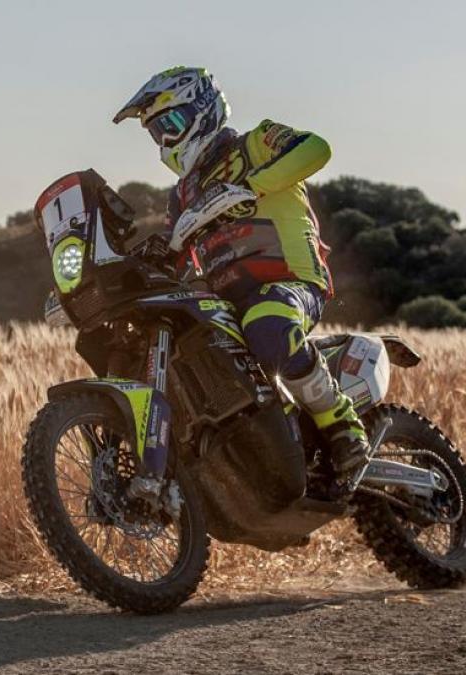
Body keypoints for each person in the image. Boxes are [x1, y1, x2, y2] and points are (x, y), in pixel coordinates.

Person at [112, 66, 369, 492]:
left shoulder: (257, 142)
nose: (165, 140)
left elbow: (317, 149)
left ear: (202, 109)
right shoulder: (181, 195)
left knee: (268, 323)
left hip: (290, 279)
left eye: (170, 125)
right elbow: (178, 248)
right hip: (227, 300)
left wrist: (251, 185)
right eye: (156, 133)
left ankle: (341, 421)